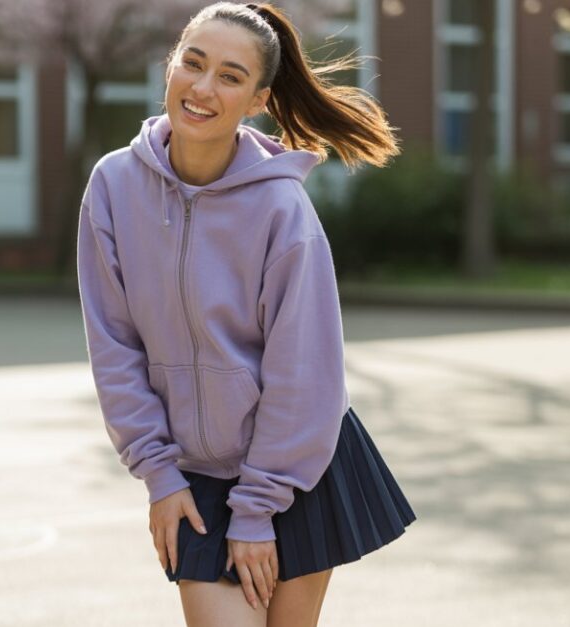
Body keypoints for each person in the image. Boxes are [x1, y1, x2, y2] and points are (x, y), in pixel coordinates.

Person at [76, 2, 417, 625]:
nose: (203, 88)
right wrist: (158, 475)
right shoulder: (114, 185)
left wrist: (259, 507)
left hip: (297, 462)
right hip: (194, 471)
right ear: (170, 66)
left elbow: (304, 372)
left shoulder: (282, 210)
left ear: (258, 99)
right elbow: (114, 344)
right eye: (194, 63)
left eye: (230, 76)